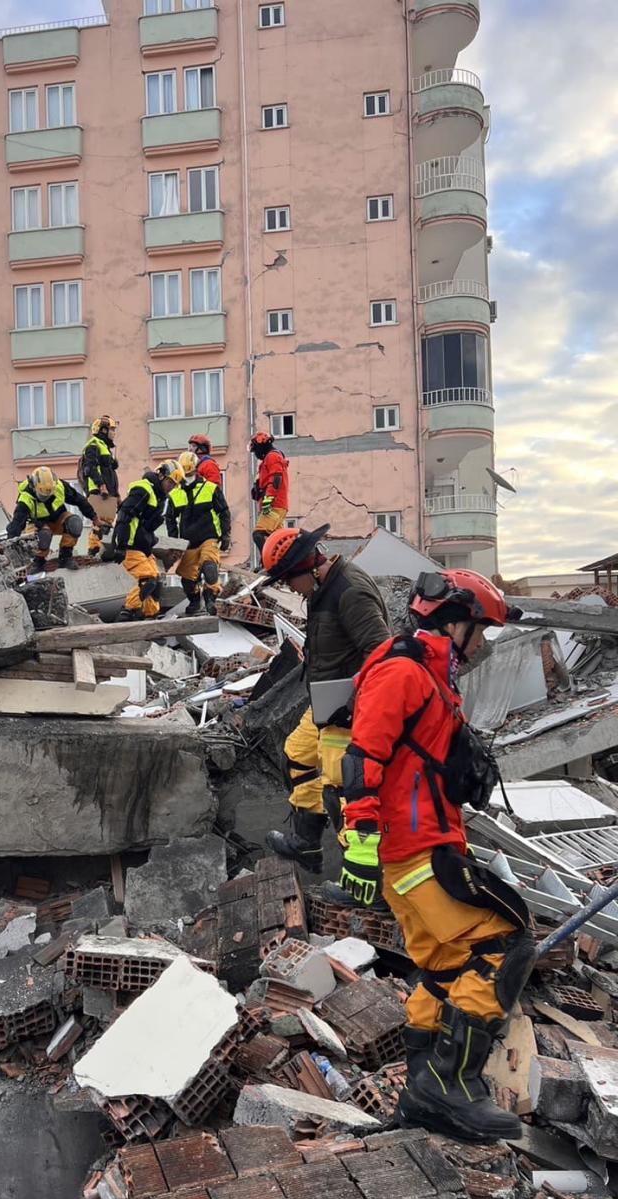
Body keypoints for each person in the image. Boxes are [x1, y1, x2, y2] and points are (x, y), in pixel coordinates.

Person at [340, 569, 532, 1142]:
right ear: (456, 621)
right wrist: (362, 840)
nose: (484, 644)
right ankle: (453, 1086)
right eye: (483, 630)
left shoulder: (428, 674)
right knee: (504, 943)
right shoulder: (404, 672)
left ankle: (426, 1093)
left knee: (446, 966)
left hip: (421, 846)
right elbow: (361, 758)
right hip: (418, 849)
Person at [261, 526, 390, 870]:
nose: (289, 588)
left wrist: (354, 705)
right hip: (325, 701)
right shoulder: (323, 588)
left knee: (341, 789)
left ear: (308, 567)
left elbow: (382, 656)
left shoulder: (350, 592)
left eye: (289, 580)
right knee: (297, 754)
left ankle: (362, 874)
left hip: (350, 710)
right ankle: (306, 843)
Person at [110, 460, 184, 621]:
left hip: (142, 546)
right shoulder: (143, 489)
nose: (171, 486)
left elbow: (146, 526)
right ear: (161, 475)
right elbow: (125, 516)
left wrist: (150, 539)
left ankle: (151, 617)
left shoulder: (160, 498)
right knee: (148, 579)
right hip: (130, 545)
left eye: (174, 484)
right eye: (170, 482)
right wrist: (121, 546)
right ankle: (127, 612)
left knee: (156, 582)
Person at [167, 452, 231, 616]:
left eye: (190, 474)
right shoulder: (175, 494)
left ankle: (210, 599)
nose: (188, 477)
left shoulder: (210, 488)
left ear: (197, 470)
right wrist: (175, 541)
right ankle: (195, 602)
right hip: (188, 543)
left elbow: (224, 512)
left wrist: (225, 535)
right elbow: (170, 518)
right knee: (187, 580)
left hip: (208, 537)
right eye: (185, 475)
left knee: (209, 568)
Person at [5, 465, 96, 572]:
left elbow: (79, 500)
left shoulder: (59, 487)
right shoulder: (25, 498)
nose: (46, 498)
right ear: (33, 487)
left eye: (49, 494)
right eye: (43, 496)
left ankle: (65, 556)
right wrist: (10, 548)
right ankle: (38, 561)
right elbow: (16, 524)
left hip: (58, 518)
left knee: (74, 523)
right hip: (38, 524)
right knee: (44, 535)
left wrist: (94, 517)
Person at [79, 415, 120, 555]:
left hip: (108, 492)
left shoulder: (104, 447)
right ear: (103, 430)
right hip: (98, 491)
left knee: (107, 524)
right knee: (100, 524)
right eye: (112, 429)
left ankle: (101, 550)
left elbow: (110, 472)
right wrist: (101, 485)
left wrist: (116, 494)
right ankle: (94, 550)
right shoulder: (93, 445)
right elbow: (90, 468)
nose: (114, 433)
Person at [249, 432, 289, 554]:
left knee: (258, 534)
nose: (255, 453)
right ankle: (282, 561)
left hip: (273, 505)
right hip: (276, 504)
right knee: (278, 541)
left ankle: (267, 561)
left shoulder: (272, 457)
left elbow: (276, 479)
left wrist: (268, 500)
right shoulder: (268, 460)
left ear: (261, 446)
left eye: (255, 449)